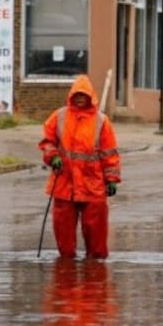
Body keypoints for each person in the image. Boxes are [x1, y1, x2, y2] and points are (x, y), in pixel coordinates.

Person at [39, 75, 122, 259]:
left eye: (83, 95)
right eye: (77, 95)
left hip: (92, 185)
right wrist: (53, 157)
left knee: (96, 237)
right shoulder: (59, 116)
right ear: (71, 96)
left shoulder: (101, 121)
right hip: (65, 183)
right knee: (64, 236)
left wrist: (111, 179)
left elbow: (109, 153)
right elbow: (47, 141)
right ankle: (67, 269)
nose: (80, 98)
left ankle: (95, 269)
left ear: (90, 97)